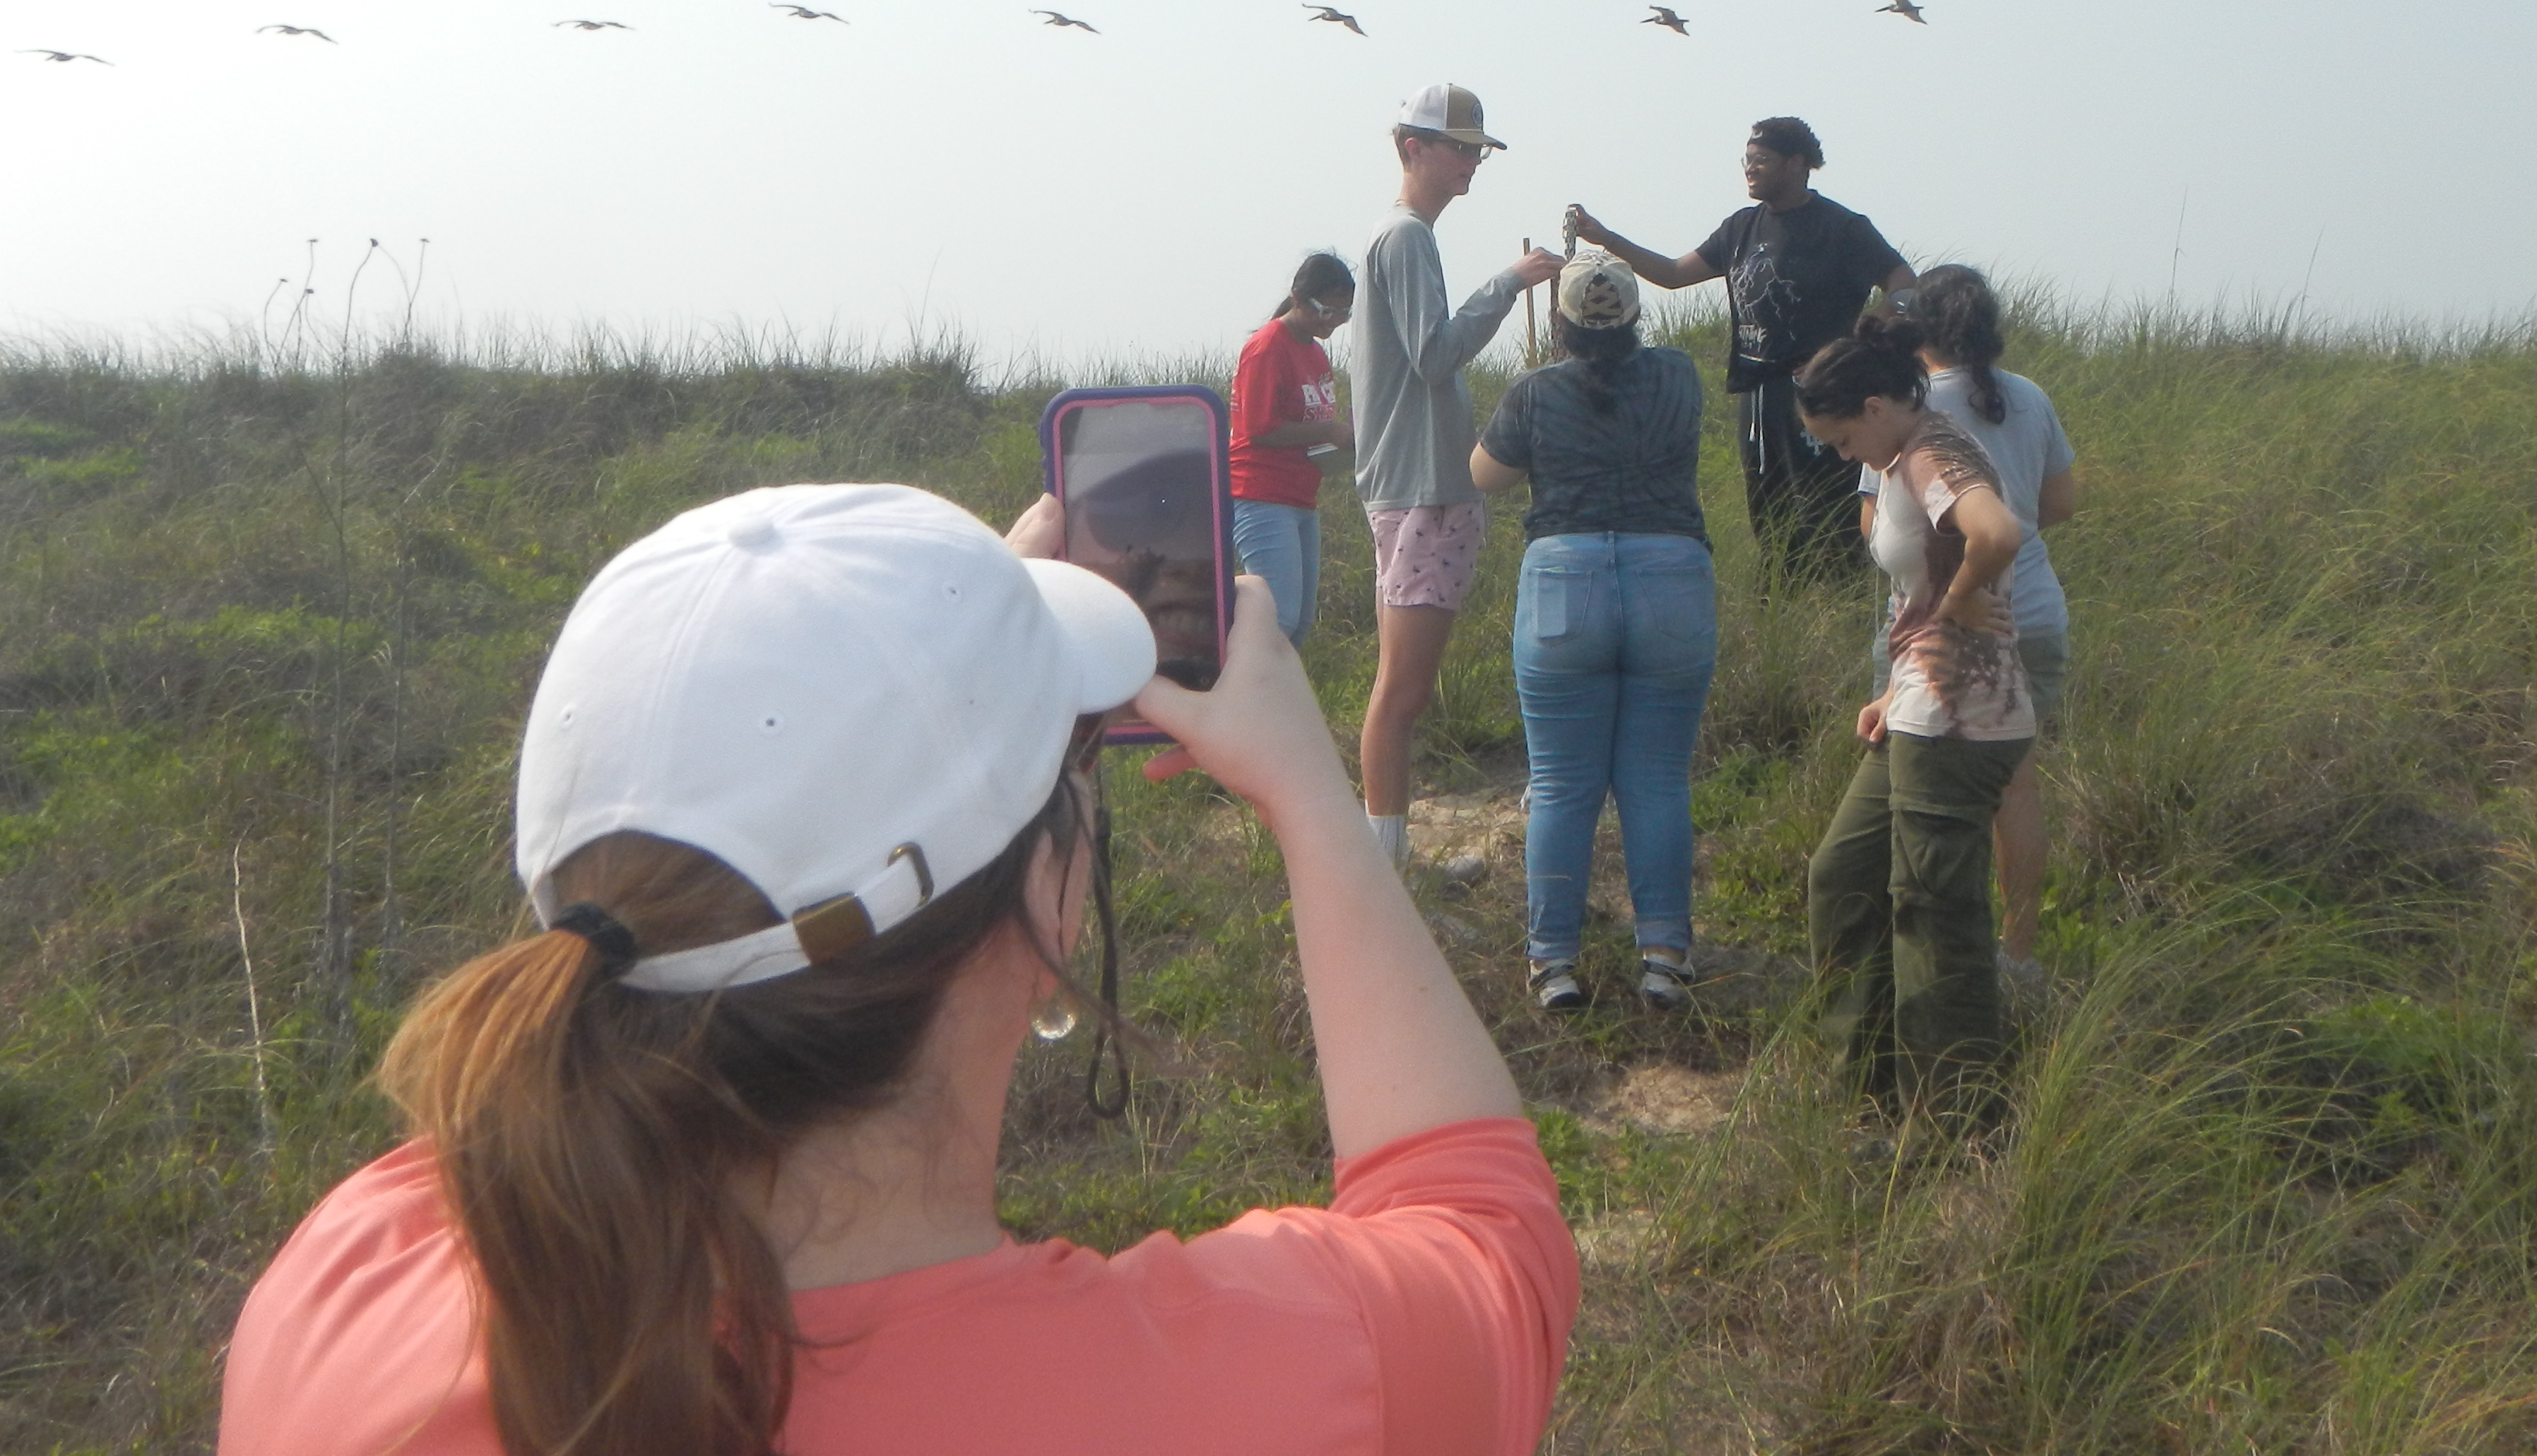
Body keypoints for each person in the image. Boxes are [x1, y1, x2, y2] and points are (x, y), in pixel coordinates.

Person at [218, 483, 1578, 1456]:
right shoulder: (1278, 1388)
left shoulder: (346, 1284)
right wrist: (1310, 796)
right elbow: (1480, 1232)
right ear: (1047, 902)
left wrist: (917, 700)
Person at [1790, 321, 2032, 1125]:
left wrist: (1962, 604)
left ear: (1874, 406)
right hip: (1919, 710)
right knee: (1844, 876)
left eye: (1841, 437)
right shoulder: (1903, 454)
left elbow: (1997, 534)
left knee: (1933, 918)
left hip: (1961, 723)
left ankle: (1951, 1120)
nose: (1839, 455)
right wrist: (1895, 688)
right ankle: (1864, 1088)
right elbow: (1919, 585)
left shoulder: (1932, 450)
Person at [1469, 251, 1716, 1015]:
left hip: (1563, 579)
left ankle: (1554, 963)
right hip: (1671, 572)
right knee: (1656, 781)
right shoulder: (1680, 376)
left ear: (1563, 323)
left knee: (1562, 785)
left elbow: (1485, 476)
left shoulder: (1534, 392)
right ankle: (1665, 957)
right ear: (1637, 314)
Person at [1349, 84, 1561, 867]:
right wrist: (1509, 284)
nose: (1472, 160)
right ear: (1412, 147)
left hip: (1411, 485)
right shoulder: (1406, 238)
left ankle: (1387, 856)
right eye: (1460, 147)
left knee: (1399, 688)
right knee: (1401, 693)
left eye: (1478, 149)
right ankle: (1383, 867)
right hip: (1422, 490)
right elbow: (1434, 355)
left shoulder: (1401, 236)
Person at [1563, 117, 1910, 586]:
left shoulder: (1842, 228)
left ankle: (1842, 607)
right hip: (1760, 396)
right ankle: (1779, 610)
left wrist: (1856, 345)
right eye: (1747, 161)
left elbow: (1905, 286)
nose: (1750, 170)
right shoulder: (1740, 229)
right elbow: (1671, 273)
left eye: (1761, 161)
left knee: (1830, 516)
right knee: (1770, 516)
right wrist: (1607, 239)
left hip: (1825, 395)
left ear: (1797, 164)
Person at [1855, 266, 2080, 973]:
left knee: (1917, 789)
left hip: (1935, 634)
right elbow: (2060, 503)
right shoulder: (2030, 397)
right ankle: (2017, 952)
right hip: (2034, 613)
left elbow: (1875, 527)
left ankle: (1928, 948)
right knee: (2014, 787)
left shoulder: (1902, 408)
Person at [1231, 252, 1356, 645]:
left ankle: (1263, 698)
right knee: (1277, 621)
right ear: (1299, 298)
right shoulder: (1267, 347)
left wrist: (1346, 435)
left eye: (1342, 313)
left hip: (1301, 497)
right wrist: (1330, 431)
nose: (1331, 321)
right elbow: (1258, 429)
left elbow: (1308, 422)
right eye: (1325, 309)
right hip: (1260, 494)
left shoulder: (1315, 352)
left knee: (1298, 623)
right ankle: (1239, 697)